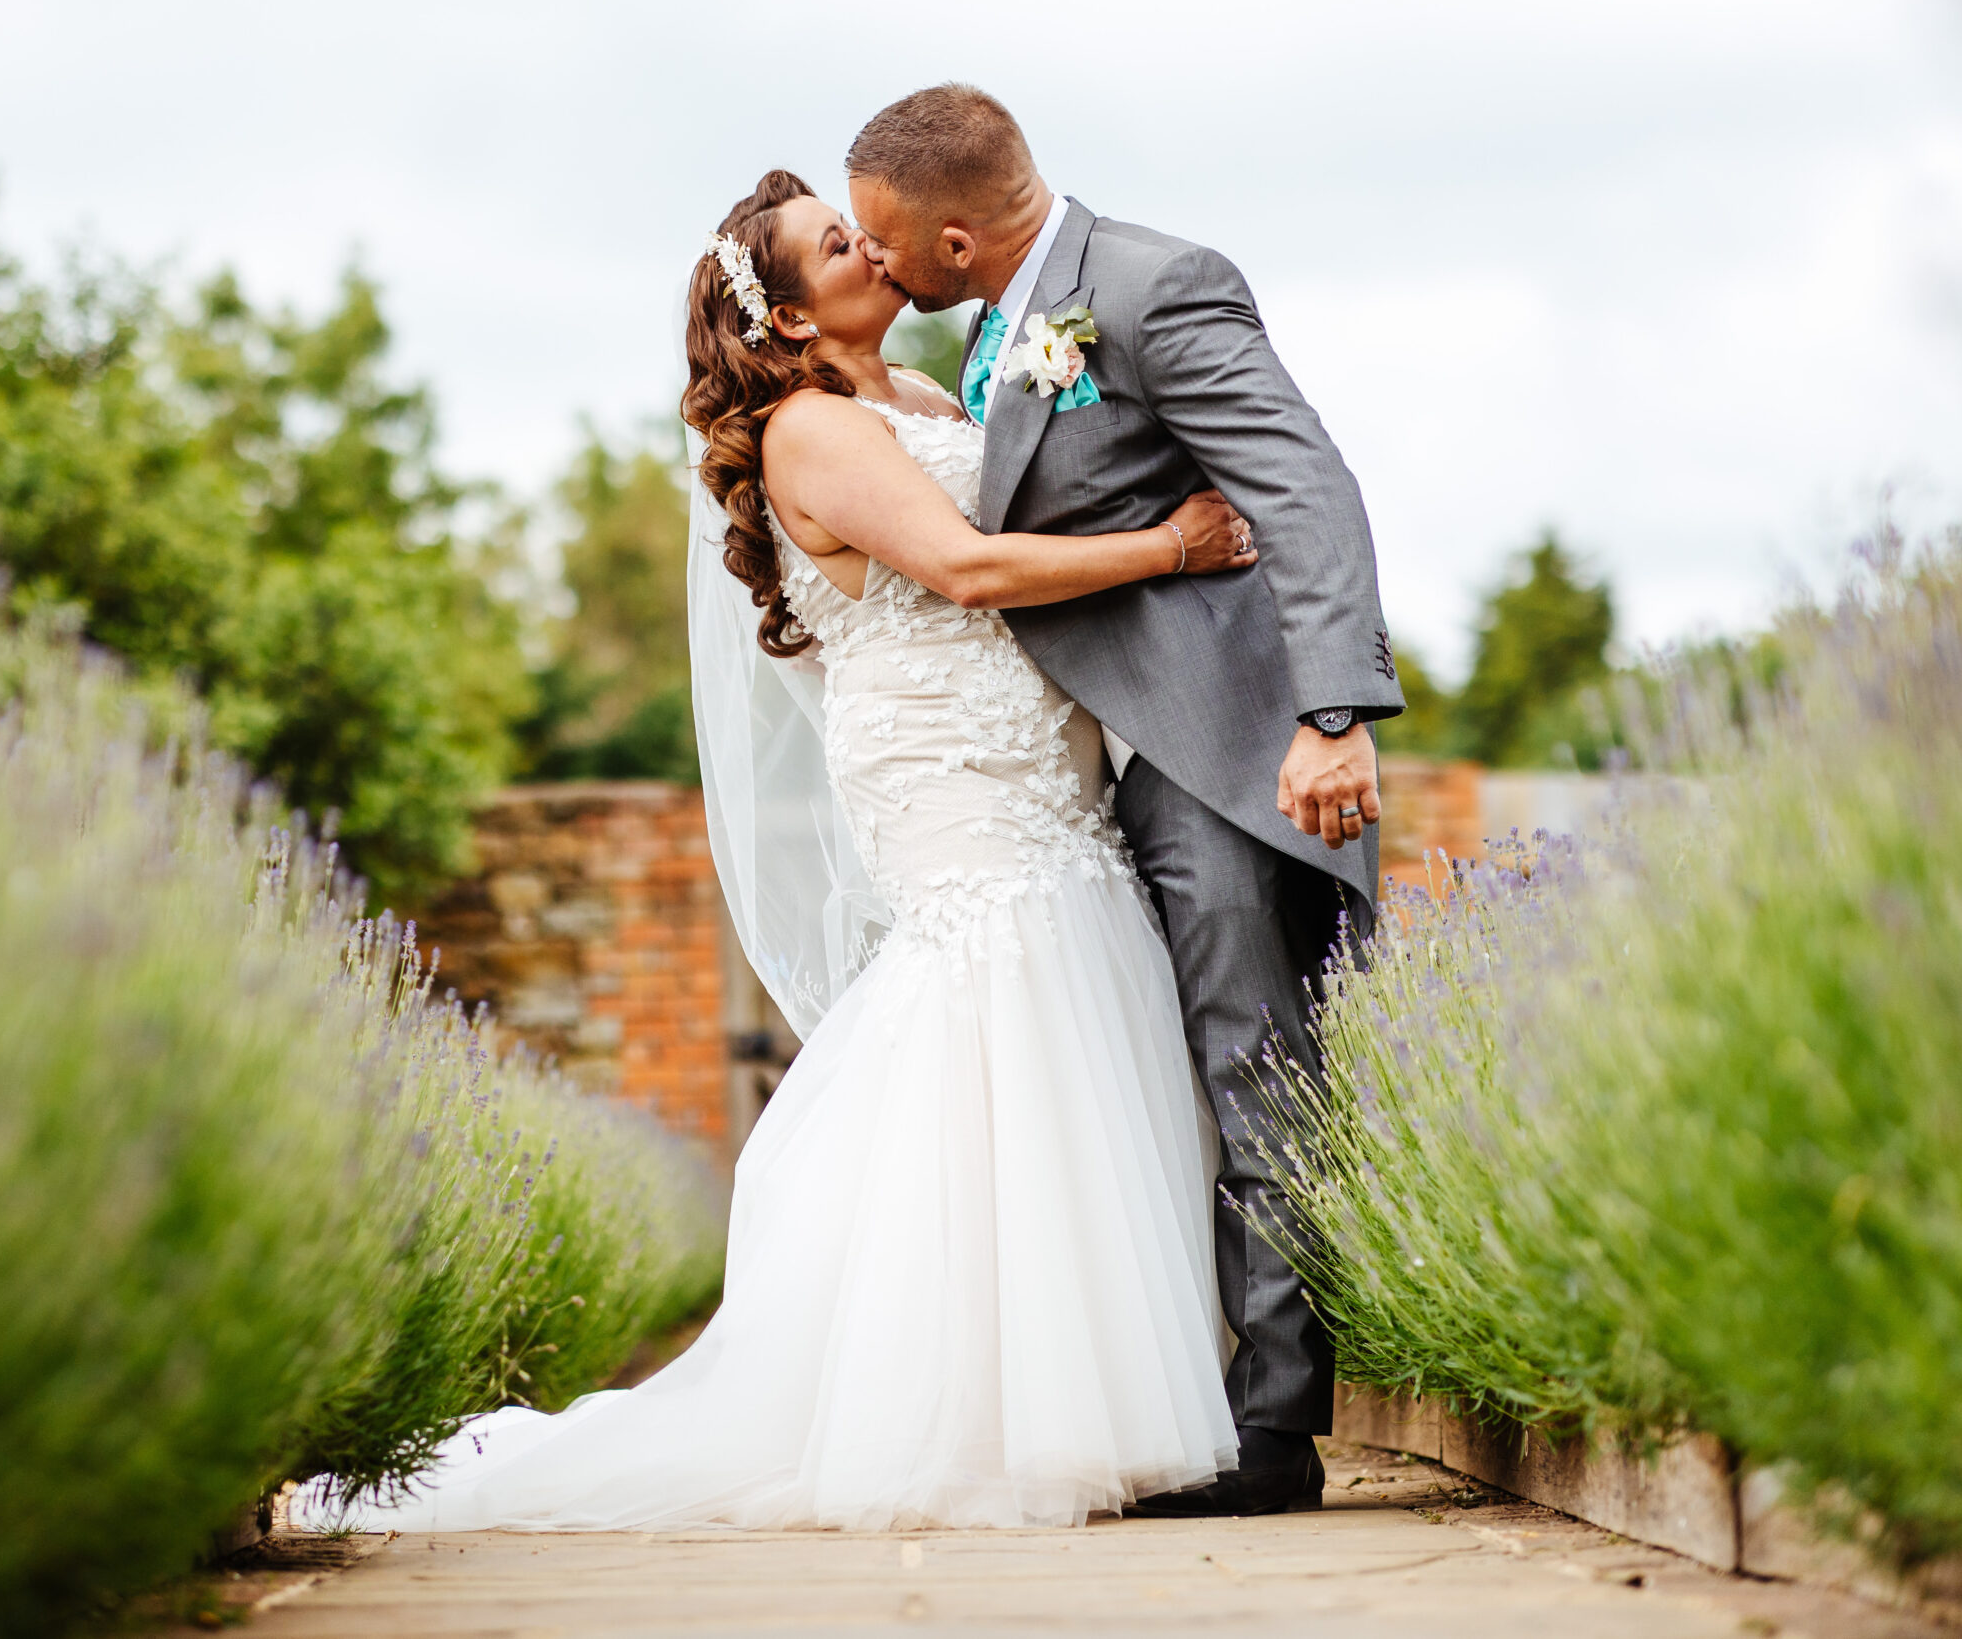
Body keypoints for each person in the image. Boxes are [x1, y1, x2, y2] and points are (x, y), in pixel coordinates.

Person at [293, 166, 1262, 1531]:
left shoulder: (927, 401)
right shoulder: (810, 430)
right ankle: (988, 1413)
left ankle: (1056, 1383)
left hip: (1039, 771)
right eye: (834, 242)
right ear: (794, 318)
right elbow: (973, 571)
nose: (870, 244)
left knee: (1063, 1016)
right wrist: (1173, 544)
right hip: (949, 770)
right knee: (1000, 1008)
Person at [846, 84, 1406, 1517]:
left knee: (1252, 1072)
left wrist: (1334, 714)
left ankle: (1274, 1436)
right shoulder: (981, 338)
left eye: (885, 240)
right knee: (1161, 1092)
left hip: (1218, 753)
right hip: (1085, 775)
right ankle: (1191, 1394)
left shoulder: (1157, 286)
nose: (879, 265)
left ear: (959, 236)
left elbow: (1304, 483)